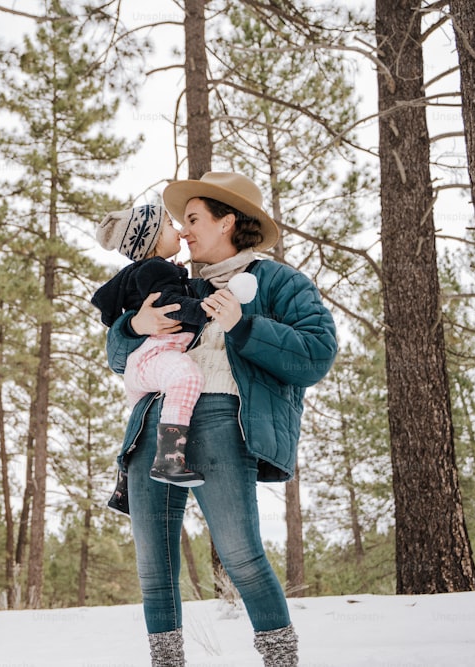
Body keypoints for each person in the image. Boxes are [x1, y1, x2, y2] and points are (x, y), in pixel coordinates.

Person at [105, 172, 337, 666]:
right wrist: (134, 325)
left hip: (220, 416)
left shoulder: (278, 280)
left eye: (192, 219)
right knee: (153, 566)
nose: (182, 231)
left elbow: (316, 354)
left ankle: (280, 660)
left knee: (240, 555)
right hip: (153, 420)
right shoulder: (172, 280)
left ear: (228, 220)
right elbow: (122, 353)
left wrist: (244, 324)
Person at [92, 205, 260, 510]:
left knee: (148, 417)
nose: (180, 231)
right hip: (154, 355)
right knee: (187, 377)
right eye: (170, 225)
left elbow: (108, 298)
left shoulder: (156, 271)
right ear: (153, 238)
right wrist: (203, 310)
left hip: (147, 363)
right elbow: (170, 304)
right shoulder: (156, 270)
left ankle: (126, 481)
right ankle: (169, 460)